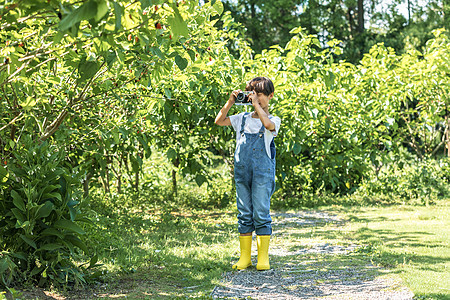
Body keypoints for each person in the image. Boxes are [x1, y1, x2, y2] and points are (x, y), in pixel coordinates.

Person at [214, 77, 281, 270]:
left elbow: (268, 125)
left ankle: (263, 258)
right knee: (244, 214)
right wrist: (230, 102)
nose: (257, 99)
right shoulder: (241, 119)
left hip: (262, 174)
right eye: (253, 95)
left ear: (270, 96)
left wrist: (257, 106)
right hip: (242, 174)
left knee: (261, 213)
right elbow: (219, 121)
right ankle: (245, 258)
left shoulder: (273, 120)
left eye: (260, 95)